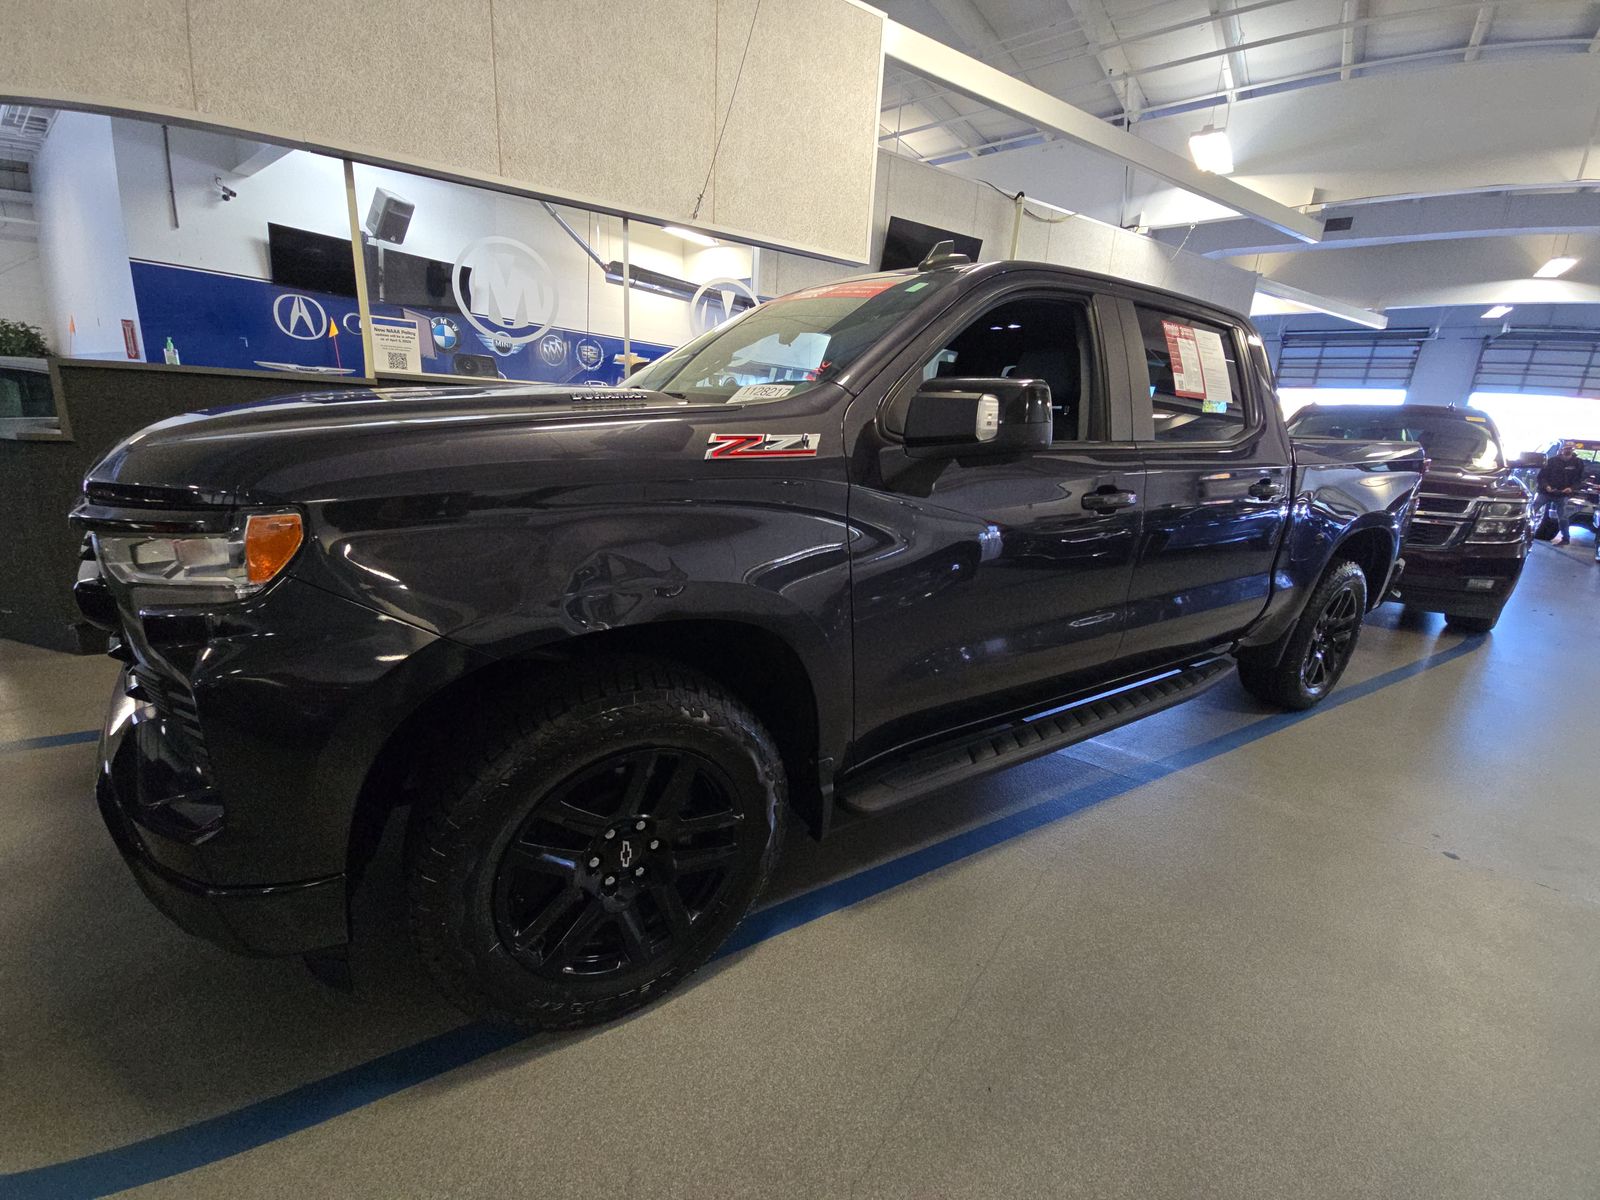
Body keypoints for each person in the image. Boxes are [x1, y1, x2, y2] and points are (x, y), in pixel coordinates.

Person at [1537, 442, 1587, 546]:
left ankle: (1565, 539)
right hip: (1547, 492)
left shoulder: (1578, 463)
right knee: (1532, 510)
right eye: (1566, 448)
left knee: (1563, 517)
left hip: (1563, 494)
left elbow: (1580, 479)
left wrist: (1571, 488)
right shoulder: (1552, 461)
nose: (1568, 450)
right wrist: (1546, 486)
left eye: (1570, 448)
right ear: (1561, 449)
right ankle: (1523, 531)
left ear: (1573, 449)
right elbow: (1541, 476)